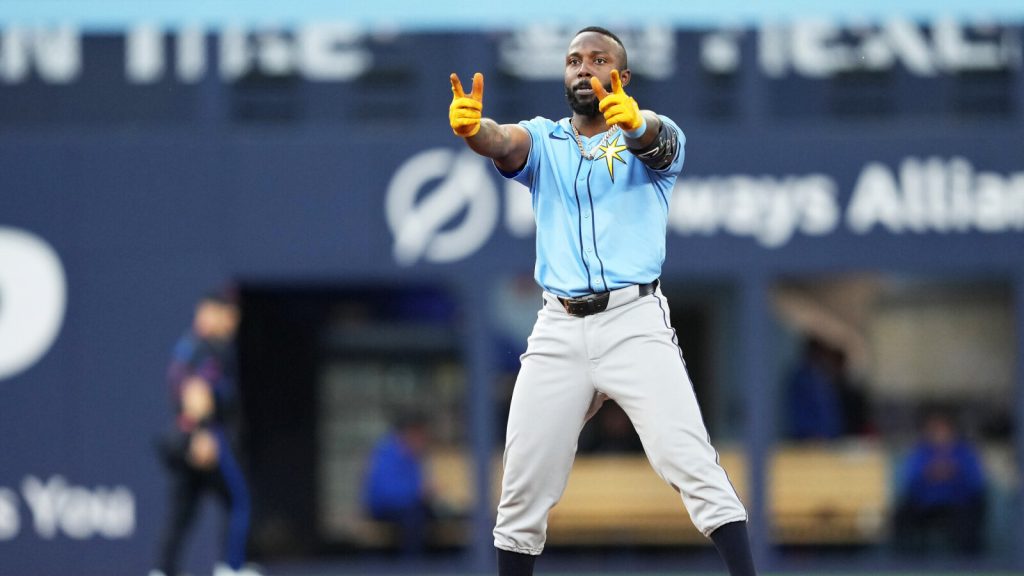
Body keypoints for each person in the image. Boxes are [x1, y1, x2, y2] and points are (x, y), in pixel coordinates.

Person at [449, 26, 757, 576]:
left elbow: (654, 141)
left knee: (687, 461)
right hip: (559, 326)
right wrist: (475, 131)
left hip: (633, 319)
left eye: (598, 60)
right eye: (574, 61)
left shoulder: (655, 133)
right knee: (522, 483)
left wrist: (635, 120)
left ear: (622, 75)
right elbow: (502, 140)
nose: (584, 69)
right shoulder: (547, 140)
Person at [152, 292, 259, 576]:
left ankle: (163, 571)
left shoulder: (194, 346)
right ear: (207, 311)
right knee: (239, 500)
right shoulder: (206, 347)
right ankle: (232, 568)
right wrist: (200, 434)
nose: (231, 320)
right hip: (208, 439)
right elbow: (196, 393)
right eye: (224, 312)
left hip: (193, 439)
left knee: (183, 511)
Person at [892, 408, 987, 555]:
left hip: (958, 505)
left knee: (969, 520)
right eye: (934, 428)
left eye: (943, 428)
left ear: (952, 429)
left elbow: (976, 483)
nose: (939, 433)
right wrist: (928, 473)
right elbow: (909, 481)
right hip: (926, 506)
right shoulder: (921, 452)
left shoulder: (965, 452)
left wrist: (955, 473)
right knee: (901, 516)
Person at [361, 410, 438, 556]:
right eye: (420, 434)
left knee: (436, 517)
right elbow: (382, 494)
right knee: (414, 520)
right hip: (385, 510)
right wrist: (417, 491)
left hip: (409, 508)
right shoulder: (386, 452)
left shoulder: (416, 456)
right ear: (409, 433)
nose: (423, 440)